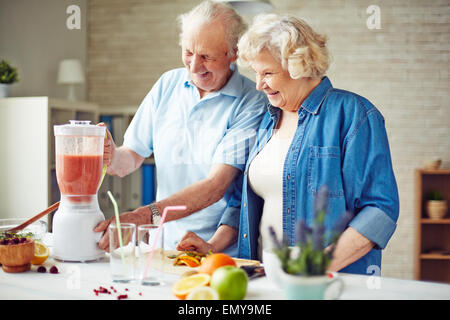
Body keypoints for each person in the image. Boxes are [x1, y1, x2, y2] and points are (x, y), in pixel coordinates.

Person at [178, 13, 399, 275]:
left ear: (301, 66)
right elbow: (244, 203)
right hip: (265, 278)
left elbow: (380, 210)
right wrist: (212, 246)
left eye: (268, 73)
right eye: (257, 74)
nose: (259, 85)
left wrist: (317, 267)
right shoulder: (267, 120)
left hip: (326, 283)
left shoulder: (353, 115)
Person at [94, 1, 268, 257]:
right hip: (161, 246)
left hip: (219, 253)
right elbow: (129, 157)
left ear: (234, 52)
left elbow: (216, 185)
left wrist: (144, 215)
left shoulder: (251, 101)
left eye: (206, 56)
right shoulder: (167, 84)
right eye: (188, 52)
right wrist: (111, 156)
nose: (194, 67)